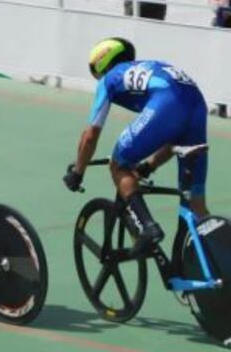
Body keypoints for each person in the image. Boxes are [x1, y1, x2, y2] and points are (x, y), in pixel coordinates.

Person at [63, 38, 210, 254]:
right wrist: (149, 166)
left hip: (166, 102)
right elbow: (173, 136)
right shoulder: (148, 65)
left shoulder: (109, 80)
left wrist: (78, 172)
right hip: (197, 104)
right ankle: (219, 258)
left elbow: (91, 135)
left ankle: (148, 228)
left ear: (100, 65)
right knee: (196, 205)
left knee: (118, 164)